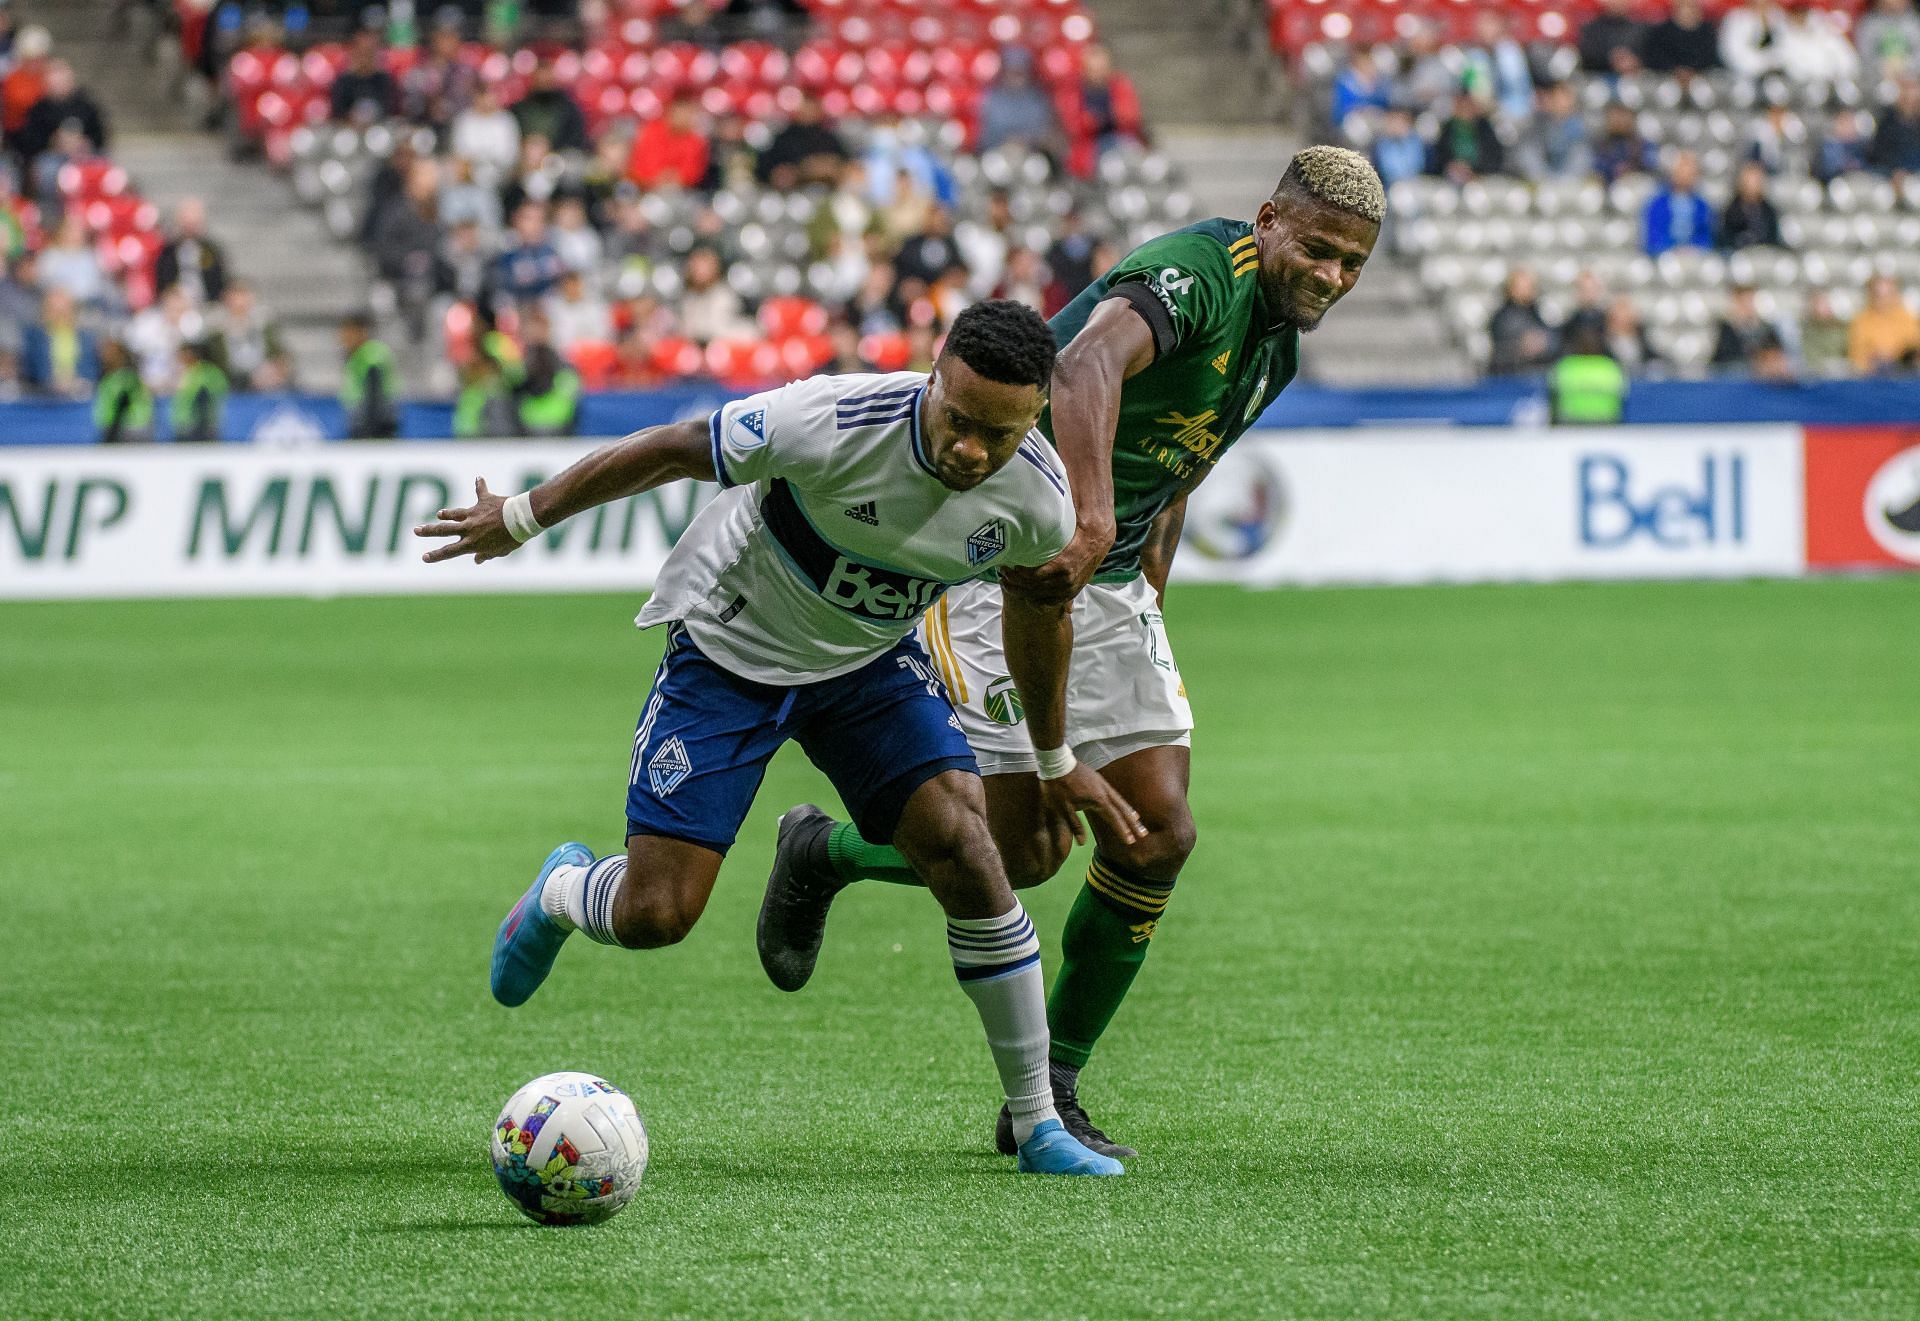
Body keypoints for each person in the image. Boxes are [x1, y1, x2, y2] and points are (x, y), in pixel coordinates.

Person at [753, 147, 1383, 1159]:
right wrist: (1089, 520)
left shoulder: (1277, 350)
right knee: (1030, 851)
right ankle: (821, 849)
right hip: (1002, 554)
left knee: (1157, 833)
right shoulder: (1196, 275)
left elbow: (1179, 467)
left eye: (1351, 265)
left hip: (1110, 583)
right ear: (1269, 220)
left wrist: (1144, 594)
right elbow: (1085, 364)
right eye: (1316, 250)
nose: (1331, 277)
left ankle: (1048, 1086)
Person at [414, 299, 1136, 1178]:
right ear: (934, 372)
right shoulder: (832, 417)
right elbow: (677, 446)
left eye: (1000, 432)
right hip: (729, 652)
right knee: (657, 914)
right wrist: (523, 516)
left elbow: (1037, 612)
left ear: (1034, 419)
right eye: (958, 418)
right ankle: (565, 890)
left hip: (866, 669)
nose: (970, 450)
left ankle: (1036, 1124)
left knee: (969, 847)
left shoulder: (1037, 495)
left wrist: (1054, 757)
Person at [977, 47, 1062, 158]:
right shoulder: (991, 97)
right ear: (1004, 72)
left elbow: (1044, 132)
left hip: (1030, 154)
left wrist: (1024, 141)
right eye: (1011, 72)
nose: (1016, 77)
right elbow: (984, 136)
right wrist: (1007, 143)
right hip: (998, 153)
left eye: (1020, 72)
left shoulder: (1038, 98)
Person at [208, 280, 293, 391]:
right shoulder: (215, 328)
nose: (239, 301)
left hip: (263, 380)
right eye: (236, 296)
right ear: (226, 298)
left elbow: (278, 353)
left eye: (243, 295)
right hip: (230, 382)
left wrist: (278, 368)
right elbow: (213, 361)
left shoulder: (264, 324)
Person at [755, 93, 848, 190]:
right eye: (805, 107)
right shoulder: (785, 138)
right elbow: (769, 167)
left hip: (828, 188)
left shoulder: (828, 138)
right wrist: (802, 169)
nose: (808, 112)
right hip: (793, 191)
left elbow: (843, 161)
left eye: (811, 108)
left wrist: (828, 167)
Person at [22, 287, 98, 397]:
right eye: (54, 310)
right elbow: (33, 370)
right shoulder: (34, 337)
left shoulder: (86, 338)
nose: (59, 315)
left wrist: (76, 382)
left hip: (78, 397)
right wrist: (54, 383)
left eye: (63, 310)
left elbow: (91, 370)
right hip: (44, 398)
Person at [155, 197, 228, 306]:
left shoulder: (212, 250)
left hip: (207, 304)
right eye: (187, 223)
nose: (190, 228)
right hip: (175, 305)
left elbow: (219, 282)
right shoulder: (167, 251)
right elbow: (162, 282)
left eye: (194, 223)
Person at [1711, 284, 1793, 379]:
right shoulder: (1726, 330)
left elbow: (1778, 357)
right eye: (1743, 302)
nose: (1747, 306)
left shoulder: (1767, 329)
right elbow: (1722, 361)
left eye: (1750, 301)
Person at [1550, 324, 1627, 424]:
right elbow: (1624, 395)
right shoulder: (1610, 367)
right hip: (1605, 422)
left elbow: (1552, 395)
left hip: (1571, 424)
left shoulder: (1565, 366)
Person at [1514, 83, 1592, 181]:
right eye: (1557, 98)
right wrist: (1543, 177)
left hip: (1571, 178)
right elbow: (1529, 153)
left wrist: (1566, 180)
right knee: (1526, 151)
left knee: (1581, 153)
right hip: (1542, 177)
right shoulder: (1537, 123)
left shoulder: (1581, 125)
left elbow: (1582, 158)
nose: (1561, 103)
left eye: (1565, 98)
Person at [340, 312, 400, 438]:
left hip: (375, 429)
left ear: (361, 332)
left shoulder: (371, 358)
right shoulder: (359, 355)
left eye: (349, 332)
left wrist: (367, 432)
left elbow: (374, 401)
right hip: (368, 425)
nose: (344, 337)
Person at [627, 97, 709, 190]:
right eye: (681, 113)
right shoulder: (652, 131)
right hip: (647, 188)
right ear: (671, 112)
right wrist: (658, 177)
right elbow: (641, 163)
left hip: (682, 190)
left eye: (689, 114)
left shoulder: (696, 141)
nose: (684, 118)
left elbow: (694, 169)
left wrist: (678, 177)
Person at [511, 58, 589, 156]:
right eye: (540, 78)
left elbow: (575, 139)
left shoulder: (569, 110)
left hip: (559, 158)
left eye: (547, 78)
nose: (543, 81)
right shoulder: (519, 109)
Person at [1643, 151, 1715, 256]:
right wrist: (1672, 249)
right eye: (1681, 170)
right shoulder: (1657, 203)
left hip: (1695, 256)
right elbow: (1654, 237)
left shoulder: (1702, 205)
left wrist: (1692, 249)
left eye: (1690, 172)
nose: (1685, 175)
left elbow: (1705, 237)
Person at [1488, 267, 1557, 376]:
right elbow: (1502, 346)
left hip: (1536, 375)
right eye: (1522, 286)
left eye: (1530, 286)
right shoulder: (1502, 317)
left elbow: (1554, 339)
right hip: (1510, 377)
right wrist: (1522, 345)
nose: (1527, 290)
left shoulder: (1538, 313)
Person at [1848, 273, 1920, 372]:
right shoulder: (1861, 320)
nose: (1883, 300)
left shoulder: (1908, 318)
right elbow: (1857, 355)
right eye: (1878, 295)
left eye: (1887, 294)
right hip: (1871, 378)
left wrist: (1896, 356)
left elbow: (1914, 348)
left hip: (1903, 375)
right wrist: (1871, 359)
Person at [1429, 90, 1505, 182]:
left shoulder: (1486, 129)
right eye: (1461, 105)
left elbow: (1494, 158)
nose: (1465, 109)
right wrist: (1451, 166)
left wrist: (1475, 171)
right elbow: (1439, 157)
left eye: (1468, 105)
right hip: (1450, 177)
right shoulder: (1447, 128)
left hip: (1480, 177)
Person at [329, 28, 397, 125]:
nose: (365, 58)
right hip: (348, 130)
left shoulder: (384, 80)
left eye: (369, 53)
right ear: (354, 53)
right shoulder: (343, 81)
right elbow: (338, 111)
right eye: (362, 53)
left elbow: (390, 109)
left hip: (379, 129)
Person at [93, 339, 154, 443]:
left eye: (109, 352)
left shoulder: (124, 377)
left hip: (130, 428)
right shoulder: (111, 376)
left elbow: (121, 404)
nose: (104, 355)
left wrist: (112, 430)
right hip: (120, 426)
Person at [169, 338, 229, 442]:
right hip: (183, 424)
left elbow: (217, 392)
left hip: (199, 425)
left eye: (182, 354)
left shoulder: (206, 371)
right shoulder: (187, 372)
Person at [1643, 0, 1721, 74]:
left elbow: (1710, 56)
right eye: (1684, 7)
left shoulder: (1707, 31)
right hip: (1667, 76)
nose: (1687, 12)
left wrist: (1693, 70)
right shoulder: (1662, 32)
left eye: (1691, 7)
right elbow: (1655, 56)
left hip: (1701, 76)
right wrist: (1674, 70)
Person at [1718, 160, 1783, 250]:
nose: (1753, 185)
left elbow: (1773, 239)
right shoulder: (1730, 211)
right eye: (1749, 181)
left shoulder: (1769, 211)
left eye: (1757, 181)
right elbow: (1726, 239)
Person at [1593, 102, 1657, 182]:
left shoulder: (1642, 144)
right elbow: (1597, 166)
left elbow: (1650, 164)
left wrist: (1632, 169)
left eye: (1622, 116)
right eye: (1614, 117)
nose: (1618, 121)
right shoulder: (1601, 145)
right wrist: (1613, 169)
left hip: (1636, 184)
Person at [1868, 79, 1920, 176]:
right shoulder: (1888, 121)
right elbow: (1878, 154)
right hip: (1892, 174)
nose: (1911, 95)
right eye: (1906, 90)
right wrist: (1894, 172)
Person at [1579, 0, 1645, 75]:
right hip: (1600, 78)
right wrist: (1612, 59)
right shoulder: (1592, 29)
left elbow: (1650, 55)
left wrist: (1635, 61)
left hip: (1634, 78)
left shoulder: (1640, 29)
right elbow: (1587, 56)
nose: (1617, 2)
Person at [1856, 0, 1920, 77]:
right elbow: (1864, 57)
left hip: (1910, 78)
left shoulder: (1914, 24)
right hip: (1877, 79)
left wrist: (1905, 67)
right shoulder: (1868, 25)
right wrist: (1882, 67)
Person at [1370, 107, 1427, 186]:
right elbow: (1387, 170)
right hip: (1391, 185)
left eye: (1400, 122)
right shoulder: (1381, 144)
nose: (1396, 126)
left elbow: (1418, 164)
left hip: (1414, 181)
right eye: (1393, 122)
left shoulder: (1415, 141)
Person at [1800, 289, 1852, 375]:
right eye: (1818, 304)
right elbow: (1810, 360)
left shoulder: (1844, 330)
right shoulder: (1808, 332)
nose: (1822, 308)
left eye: (1825, 304)